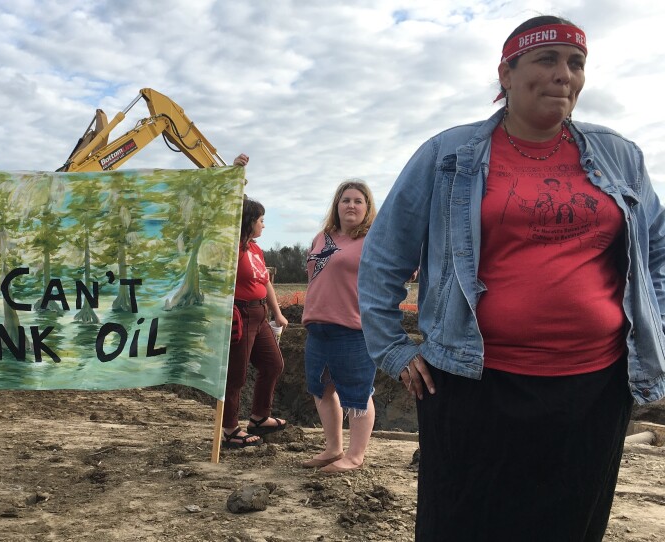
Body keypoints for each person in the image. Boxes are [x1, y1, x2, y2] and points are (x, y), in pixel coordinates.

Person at [358, 15, 665, 541]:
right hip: (474, 384)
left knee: (569, 524)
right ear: (506, 73)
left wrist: (654, 328)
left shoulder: (619, 156)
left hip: (593, 386)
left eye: (575, 63)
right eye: (546, 60)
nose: (563, 75)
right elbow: (384, 257)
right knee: (463, 524)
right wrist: (392, 348)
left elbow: (656, 251)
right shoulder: (447, 155)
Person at [301, 180, 377, 473]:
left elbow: (404, 270)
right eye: (345, 200)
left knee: (357, 394)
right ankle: (333, 448)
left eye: (358, 201)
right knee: (321, 390)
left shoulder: (373, 239)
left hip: (353, 328)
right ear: (337, 205)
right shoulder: (322, 237)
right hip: (317, 327)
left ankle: (355, 456)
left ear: (367, 208)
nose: (351, 205)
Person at [222, 174, 289, 448]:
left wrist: (277, 313)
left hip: (260, 314)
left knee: (273, 364)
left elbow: (266, 282)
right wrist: (235, 175)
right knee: (236, 375)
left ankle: (260, 417)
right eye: (260, 219)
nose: (263, 224)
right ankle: (228, 429)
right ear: (249, 221)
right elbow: (227, 209)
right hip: (241, 315)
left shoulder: (256, 250)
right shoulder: (231, 249)